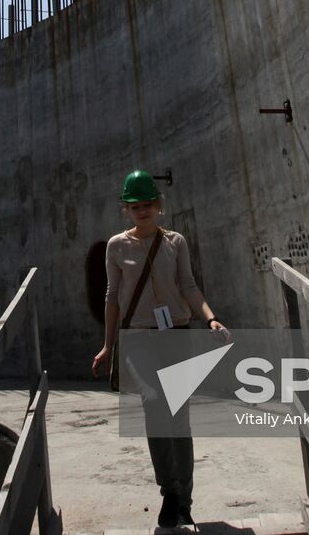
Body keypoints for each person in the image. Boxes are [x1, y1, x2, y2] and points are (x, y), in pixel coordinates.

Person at [92, 169, 230, 531]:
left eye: (148, 203)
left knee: (178, 418)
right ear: (126, 209)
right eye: (135, 205)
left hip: (177, 334)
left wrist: (211, 319)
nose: (142, 210)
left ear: (158, 205)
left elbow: (188, 286)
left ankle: (183, 502)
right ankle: (169, 490)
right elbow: (112, 300)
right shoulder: (116, 246)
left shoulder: (175, 242)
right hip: (138, 339)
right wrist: (108, 346)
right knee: (155, 403)